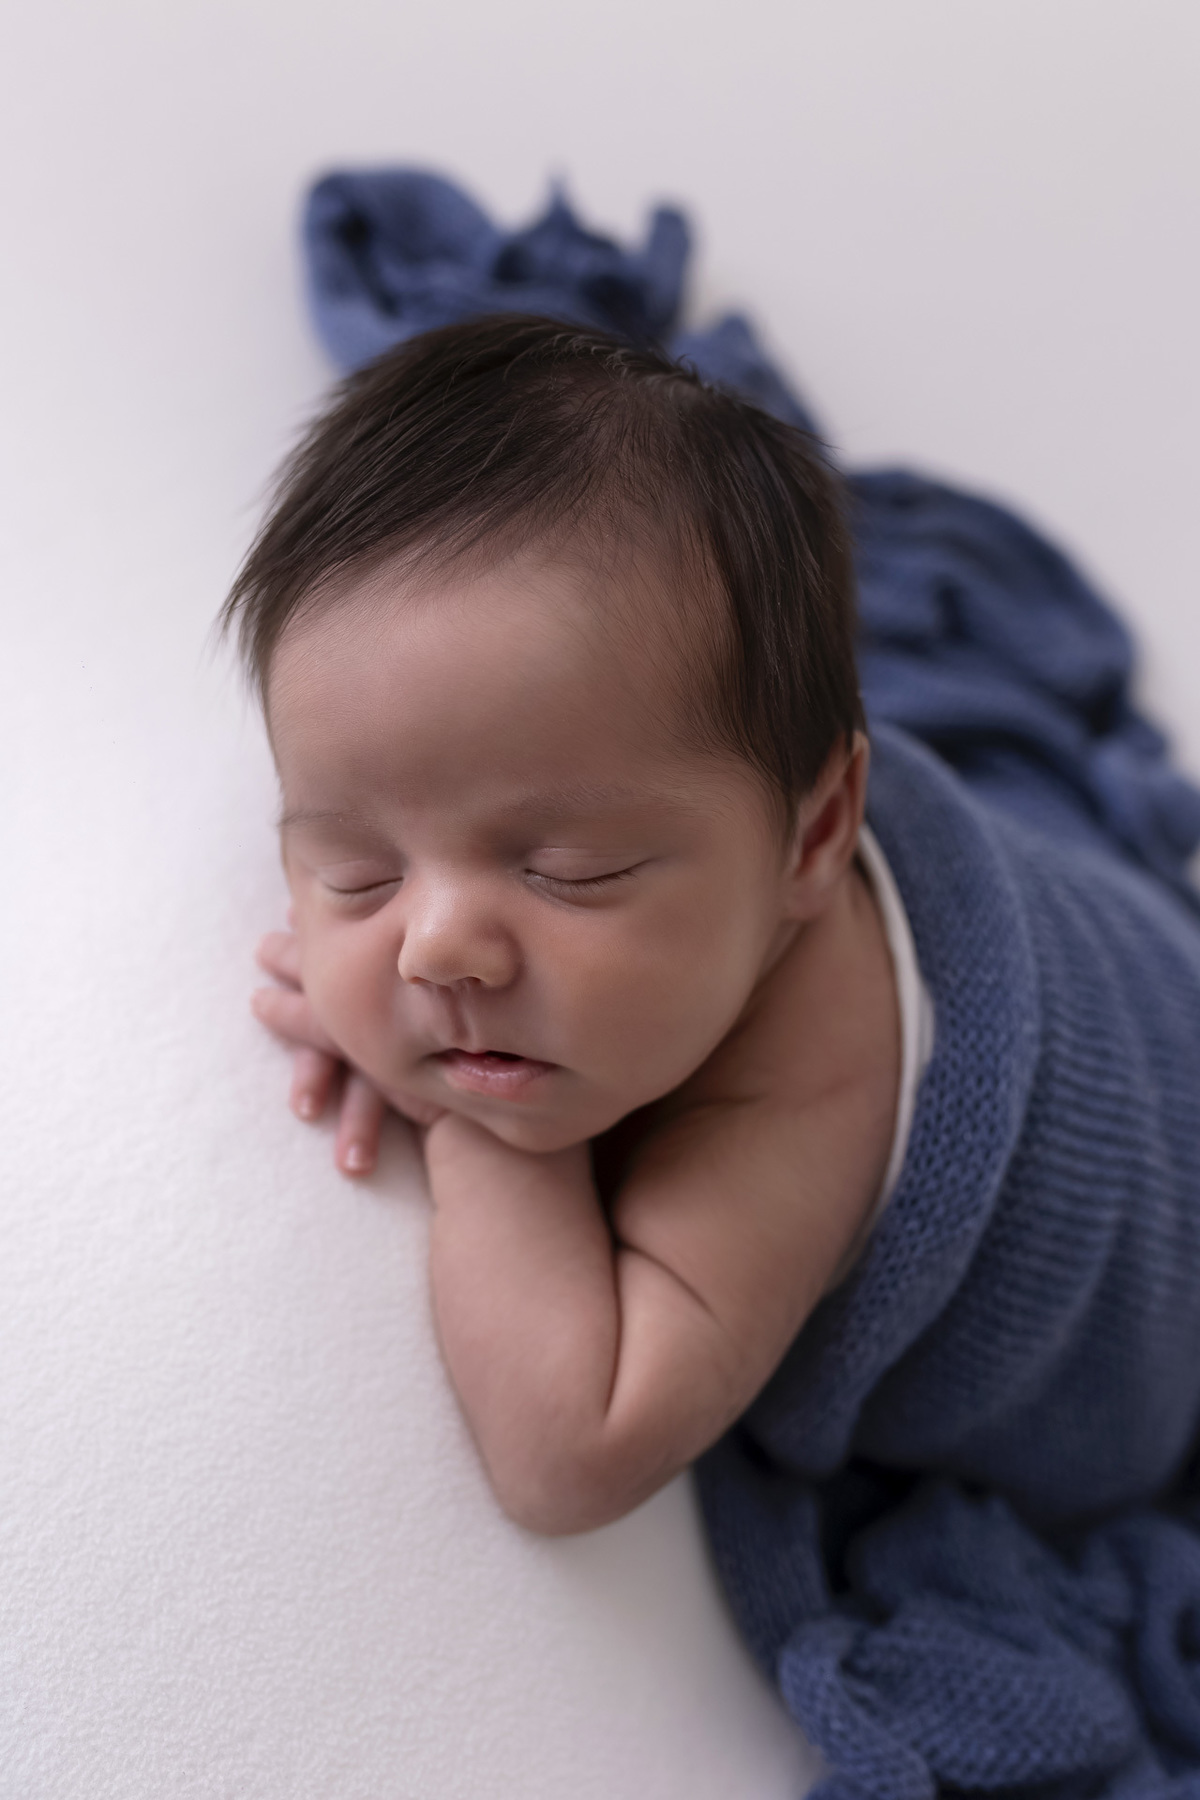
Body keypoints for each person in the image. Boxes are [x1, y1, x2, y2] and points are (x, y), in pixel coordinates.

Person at [226, 312, 1200, 1797]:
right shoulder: (666, 856)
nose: (437, 953)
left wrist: (478, 1124)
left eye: (567, 871)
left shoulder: (805, 1086)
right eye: (354, 873)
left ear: (816, 835)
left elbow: (571, 1445)